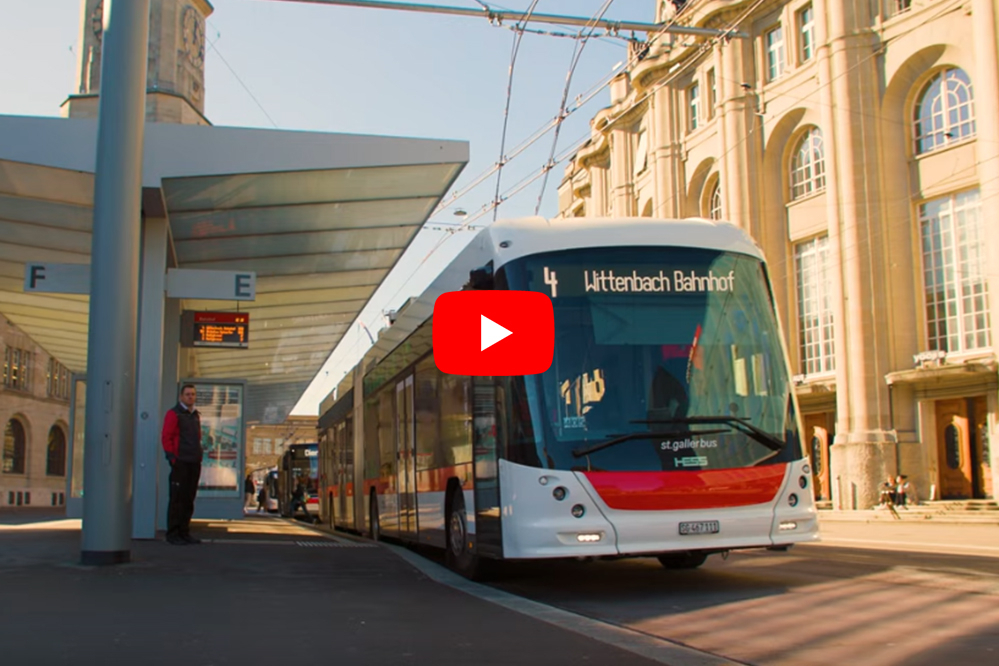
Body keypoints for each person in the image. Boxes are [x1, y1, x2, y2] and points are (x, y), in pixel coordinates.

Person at [161, 383, 203, 545]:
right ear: (181, 397)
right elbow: (166, 437)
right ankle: (173, 534)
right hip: (180, 462)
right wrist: (173, 459)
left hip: (194, 462)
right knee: (177, 499)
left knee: (188, 499)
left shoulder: (195, 415)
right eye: (187, 394)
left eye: (193, 394)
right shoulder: (174, 414)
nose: (190, 397)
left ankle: (184, 532)